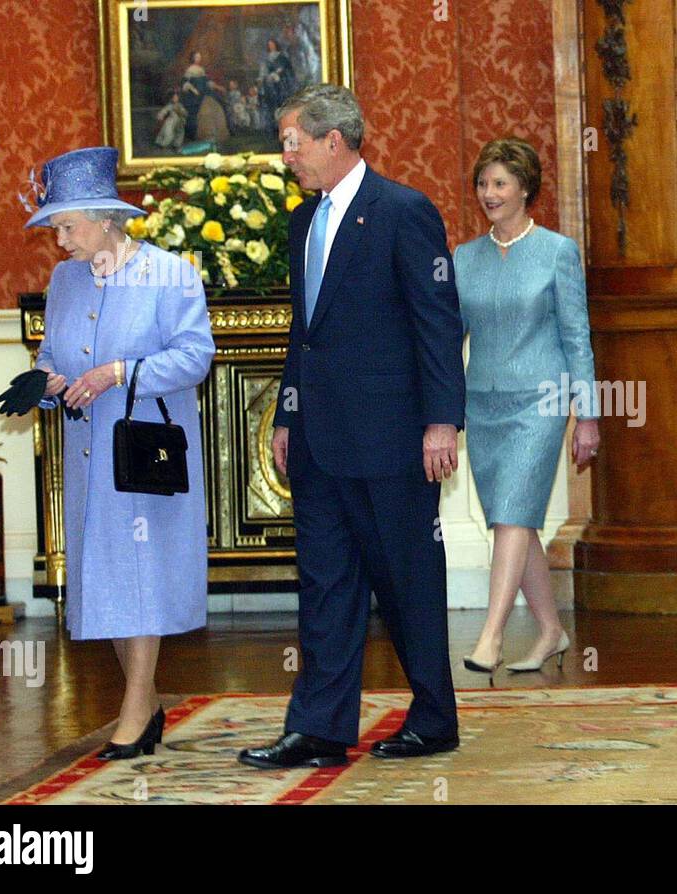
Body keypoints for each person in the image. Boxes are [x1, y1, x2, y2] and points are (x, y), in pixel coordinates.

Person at [239, 84, 466, 768]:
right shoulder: (301, 221)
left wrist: (441, 423)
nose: (287, 157)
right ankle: (319, 728)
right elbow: (301, 335)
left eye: (292, 143)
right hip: (317, 441)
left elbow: (438, 325)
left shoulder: (402, 211)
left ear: (332, 140)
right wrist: (286, 414)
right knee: (326, 586)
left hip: (393, 438)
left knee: (406, 581)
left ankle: (434, 717)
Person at [22, 146, 214, 759]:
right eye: (55, 229)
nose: (60, 242)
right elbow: (54, 354)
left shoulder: (170, 273)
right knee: (102, 581)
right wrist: (44, 382)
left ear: (106, 218)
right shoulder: (64, 280)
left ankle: (133, 709)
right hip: (86, 452)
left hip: (143, 452)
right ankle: (147, 701)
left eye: (67, 227)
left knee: (143, 577)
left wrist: (118, 372)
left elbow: (194, 357)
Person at [453, 138, 600, 676]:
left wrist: (587, 413)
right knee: (513, 519)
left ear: (525, 188)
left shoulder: (557, 251)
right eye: (483, 183)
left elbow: (577, 336)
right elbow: (448, 339)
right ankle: (550, 631)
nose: (488, 194)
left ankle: (490, 636)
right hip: (483, 404)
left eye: (499, 183)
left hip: (541, 403)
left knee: (512, 515)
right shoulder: (464, 258)